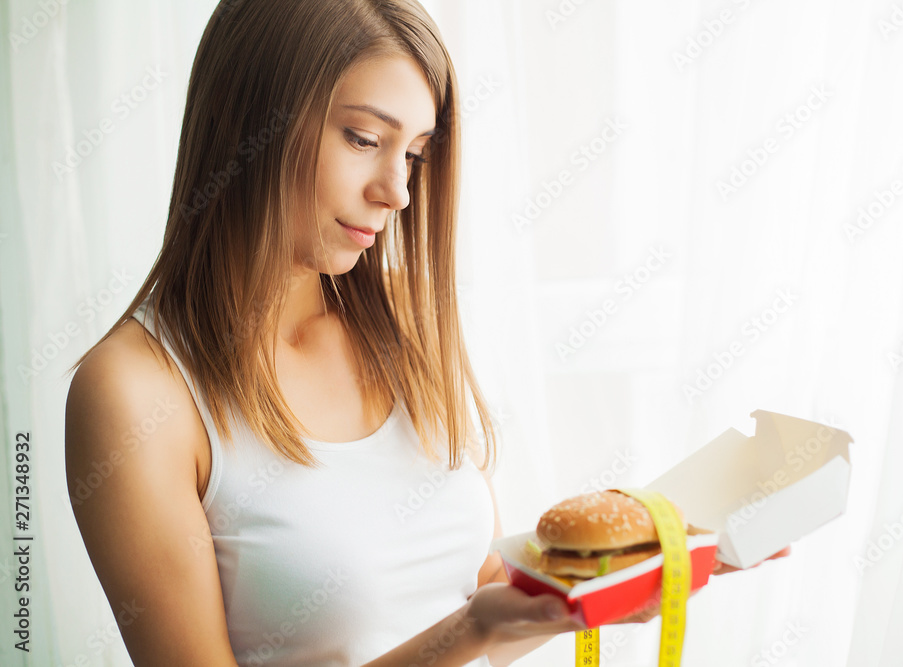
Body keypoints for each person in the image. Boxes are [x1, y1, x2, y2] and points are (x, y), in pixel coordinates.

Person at [64, 1, 788, 665]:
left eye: (412, 154)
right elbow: (475, 622)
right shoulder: (134, 393)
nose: (399, 192)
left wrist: (631, 572)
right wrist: (474, 629)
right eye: (363, 138)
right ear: (245, 118)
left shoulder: (402, 319)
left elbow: (484, 589)